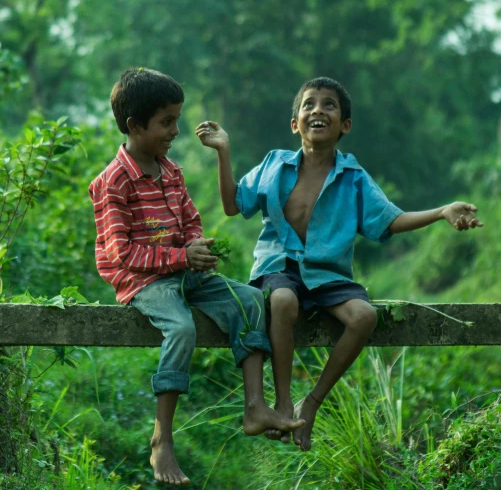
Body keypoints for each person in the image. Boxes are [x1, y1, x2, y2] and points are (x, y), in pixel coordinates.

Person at [196, 76, 483, 452]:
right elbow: (234, 204)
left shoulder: (353, 177)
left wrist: (442, 211)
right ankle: (282, 403)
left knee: (364, 316)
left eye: (329, 105)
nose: (318, 110)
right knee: (283, 302)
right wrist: (223, 151)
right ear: (294, 123)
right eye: (309, 104)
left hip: (327, 274)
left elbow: (389, 220)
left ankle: (310, 402)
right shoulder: (274, 164)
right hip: (278, 268)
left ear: (344, 125)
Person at [89, 68, 305, 485]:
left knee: (249, 300)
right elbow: (121, 253)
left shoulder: (172, 171)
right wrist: (180, 256)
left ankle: (255, 406)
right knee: (182, 328)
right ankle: (162, 438)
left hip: (183, 269)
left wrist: (197, 248)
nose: (175, 130)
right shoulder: (113, 182)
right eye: (166, 122)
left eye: (176, 119)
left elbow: (190, 218)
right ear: (135, 125)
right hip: (143, 281)